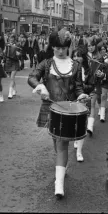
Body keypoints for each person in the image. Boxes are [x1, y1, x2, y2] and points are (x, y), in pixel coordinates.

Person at [28, 29, 88, 199]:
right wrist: (40, 87)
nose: (61, 51)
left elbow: (77, 87)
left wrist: (81, 95)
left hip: (68, 111)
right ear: (52, 47)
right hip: (50, 108)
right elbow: (32, 78)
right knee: (57, 143)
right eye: (57, 48)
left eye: (64, 48)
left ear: (68, 47)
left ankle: (59, 184)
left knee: (62, 145)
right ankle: (62, 166)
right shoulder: (46, 64)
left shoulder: (75, 65)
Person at [71, 46, 95, 162]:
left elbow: (92, 86)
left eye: (78, 56)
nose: (76, 58)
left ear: (83, 58)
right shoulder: (69, 68)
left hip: (84, 99)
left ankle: (79, 152)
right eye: (74, 56)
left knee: (82, 125)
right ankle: (75, 138)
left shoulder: (88, 70)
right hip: (71, 100)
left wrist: (81, 88)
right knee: (73, 124)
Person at [4, 34, 21, 99]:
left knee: (12, 77)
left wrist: (19, 54)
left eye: (12, 38)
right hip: (8, 62)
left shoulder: (17, 45)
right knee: (11, 77)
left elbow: (21, 53)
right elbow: (4, 53)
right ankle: (14, 89)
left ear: (14, 38)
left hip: (15, 62)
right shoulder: (7, 45)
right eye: (10, 38)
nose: (11, 39)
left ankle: (10, 93)